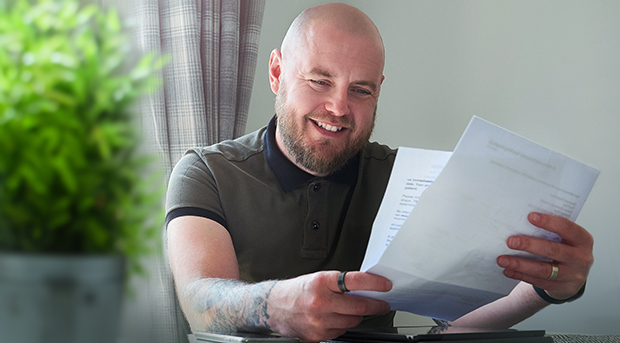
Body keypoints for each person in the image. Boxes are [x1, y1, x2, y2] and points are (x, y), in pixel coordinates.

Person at [165, 3, 593, 342]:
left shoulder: (408, 179)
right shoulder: (206, 171)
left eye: (361, 90)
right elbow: (200, 300)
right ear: (277, 72)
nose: (338, 107)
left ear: (378, 90)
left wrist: (548, 287)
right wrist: (276, 305)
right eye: (319, 80)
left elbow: (452, 326)